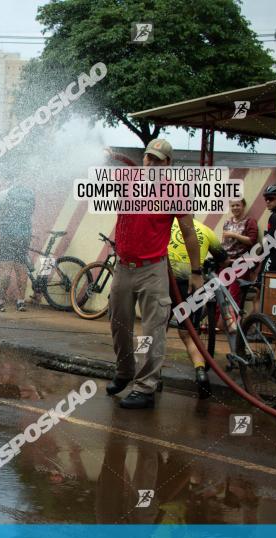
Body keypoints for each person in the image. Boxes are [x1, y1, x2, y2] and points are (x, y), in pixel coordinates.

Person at [106, 138, 202, 410]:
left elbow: (188, 232)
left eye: (158, 160)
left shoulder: (175, 192)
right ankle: (125, 373)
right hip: (123, 267)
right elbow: (120, 167)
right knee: (118, 324)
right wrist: (112, 154)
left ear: (168, 164)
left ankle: (146, 387)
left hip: (153, 270)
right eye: (148, 158)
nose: (151, 163)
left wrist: (196, 272)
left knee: (152, 330)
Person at [167, 217, 228, 399]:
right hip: (194, 283)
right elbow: (224, 260)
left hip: (167, 280)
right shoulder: (205, 230)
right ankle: (201, 373)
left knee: (157, 329)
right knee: (188, 333)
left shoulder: (167, 225)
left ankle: (152, 379)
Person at [0, 184, 36, 312]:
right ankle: (21, 302)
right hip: (25, 235)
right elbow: (30, 212)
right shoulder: (29, 193)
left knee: (6, 268)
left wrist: (0, 225)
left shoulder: (4, 193)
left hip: (8, 234)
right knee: (21, 268)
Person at [221, 197, 258, 306]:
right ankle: (220, 322)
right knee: (220, 294)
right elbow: (224, 242)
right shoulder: (227, 222)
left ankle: (236, 322)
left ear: (243, 206)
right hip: (226, 263)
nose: (235, 207)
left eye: (238, 205)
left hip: (240, 264)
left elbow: (251, 240)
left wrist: (234, 235)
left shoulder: (249, 221)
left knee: (234, 296)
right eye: (233, 205)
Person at [263, 184, 276, 273]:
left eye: (271, 199)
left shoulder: (275, 216)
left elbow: (271, 242)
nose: (267, 201)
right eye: (266, 199)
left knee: (263, 282)